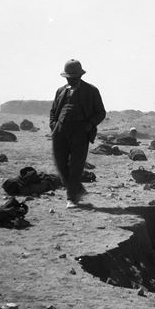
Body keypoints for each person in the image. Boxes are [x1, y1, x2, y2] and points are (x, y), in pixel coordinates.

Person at [49, 59, 106, 209]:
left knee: (76, 165)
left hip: (80, 131)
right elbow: (53, 111)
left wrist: (88, 125)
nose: (70, 79)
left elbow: (101, 112)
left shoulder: (91, 91)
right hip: (60, 131)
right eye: (68, 77)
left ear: (80, 76)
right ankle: (78, 189)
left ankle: (72, 198)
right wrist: (53, 126)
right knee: (60, 164)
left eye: (73, 77)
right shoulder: (61, 91)